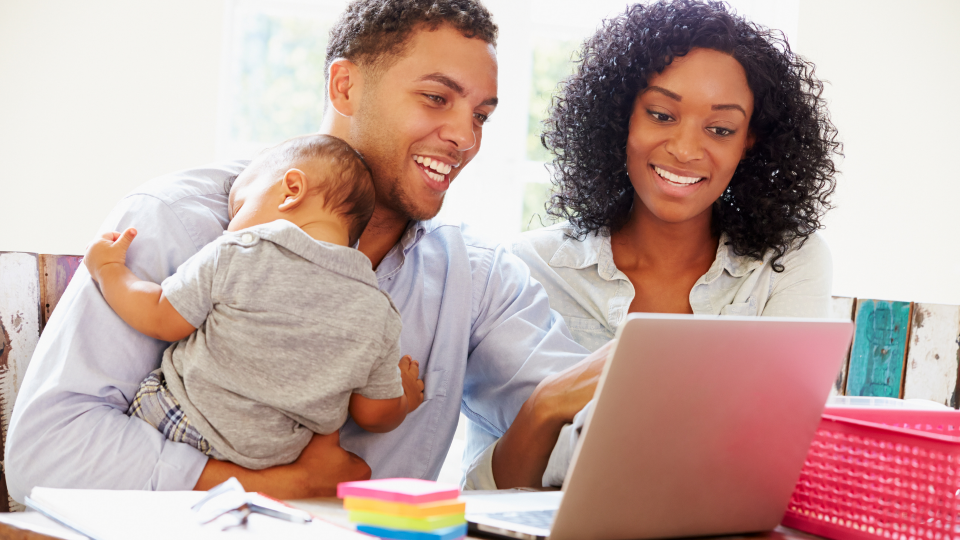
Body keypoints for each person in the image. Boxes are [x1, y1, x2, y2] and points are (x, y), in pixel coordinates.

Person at [5, 0, 606, 502]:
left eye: (481, 115)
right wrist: (275, 484)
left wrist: (576, 402)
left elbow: (582, 422)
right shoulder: (177, 223)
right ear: (345, 86)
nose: (464, 136)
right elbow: (49, 452)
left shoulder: (475, 279)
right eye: (436, 98)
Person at [496, 0, 842, 486]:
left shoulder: (787, 264)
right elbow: (492, 490)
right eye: (661, 114)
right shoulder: (531, 268)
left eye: (720, 129)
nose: (684, 149)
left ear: (750, 142)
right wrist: (546, 405)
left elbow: (789, 460)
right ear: (622, 118)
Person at [83, 134, 426, 470]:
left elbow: (161, 316)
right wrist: (406, 398)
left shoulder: (242, 250)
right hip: (272, 461)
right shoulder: (378, 312)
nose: (230, 223)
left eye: (239, 206)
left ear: (291, 190)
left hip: (181, 421)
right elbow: (373, 414)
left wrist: (109, 270)